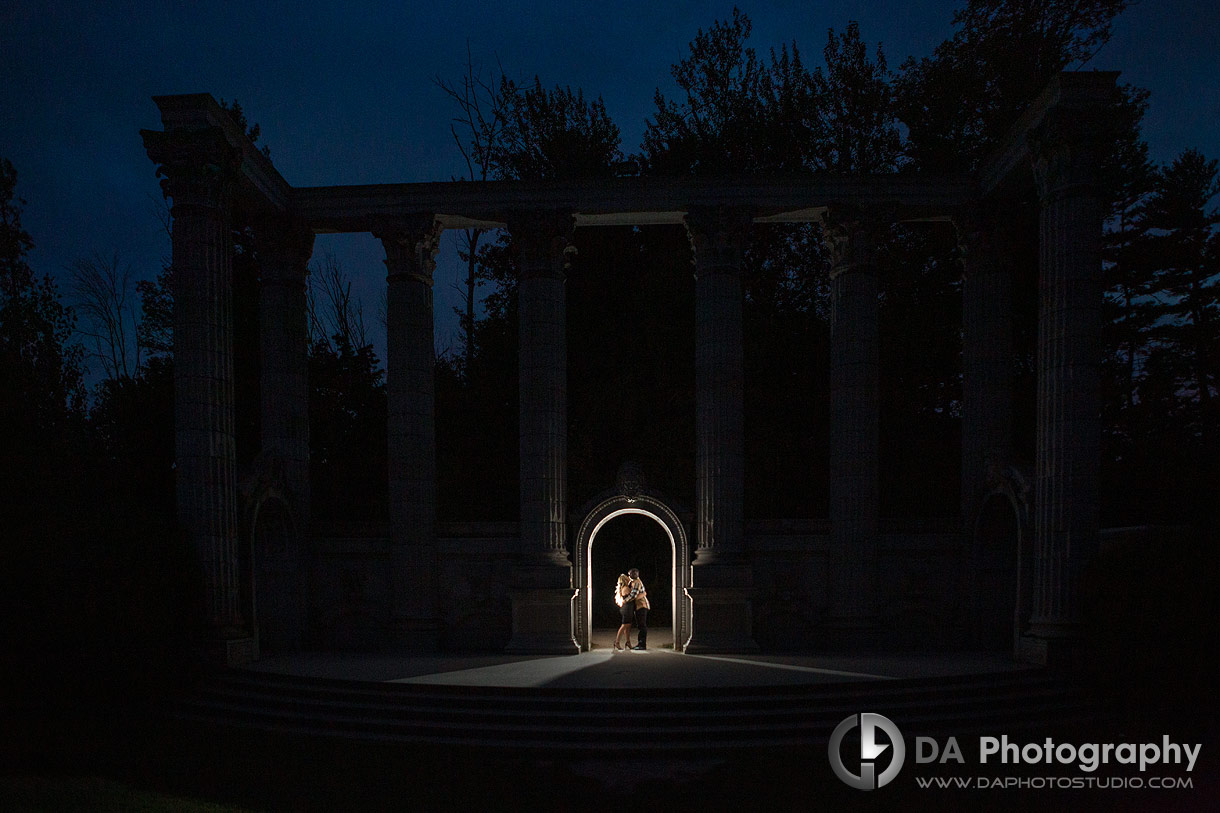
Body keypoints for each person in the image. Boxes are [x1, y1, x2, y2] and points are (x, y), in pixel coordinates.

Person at [625, 568, 649, 650]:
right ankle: (641, 644)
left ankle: (642, 645)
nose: (631, 576)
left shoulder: (636, 582)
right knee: (641, 625)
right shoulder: (635, 582)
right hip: (640, 606)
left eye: (632, 574)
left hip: (642, 606)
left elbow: (633, 595)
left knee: (642, 625)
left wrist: (624, 601)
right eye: (630, 574)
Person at [613, 573, 634, 651]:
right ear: (625, 580)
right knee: (624, 626)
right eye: (627, 578)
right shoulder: (626, 588)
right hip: (627, 609)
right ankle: (617, 642)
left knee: (627, 627)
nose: (629, 578)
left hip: (627, 608)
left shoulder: (624, 588)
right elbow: (633, 596)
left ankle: (628, 642)